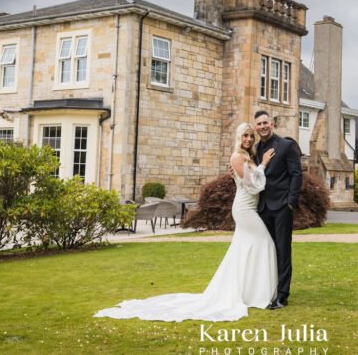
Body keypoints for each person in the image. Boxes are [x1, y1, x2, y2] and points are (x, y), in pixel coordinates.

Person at [93, 123, 277, 322]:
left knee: (244, 249)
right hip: (244, 209)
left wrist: (256, 165)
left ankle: (249, 293)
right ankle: (258, 293)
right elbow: (253, 186)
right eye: (245, 136)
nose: (248, 139)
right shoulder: (237, 156)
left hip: (248, 207)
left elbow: (245, 181)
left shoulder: (248, 157)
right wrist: (264, 165)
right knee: (265, 243)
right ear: (239, 137)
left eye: (251, 136)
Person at [252, 110, 303, 310]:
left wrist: (291, 202)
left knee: (283, 250)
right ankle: (268, 290)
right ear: (255, 127)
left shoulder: (287, 145)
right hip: (262, 207)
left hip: (282, 206)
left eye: (265, 122)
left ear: (272, 123)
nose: (263, 126)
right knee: (266, 250)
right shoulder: (256, 149)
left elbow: (296, 174)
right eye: (259, 124)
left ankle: (282, 295)